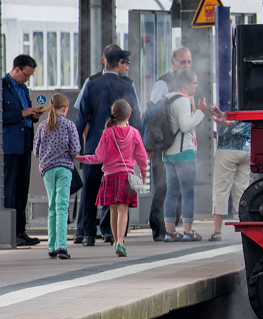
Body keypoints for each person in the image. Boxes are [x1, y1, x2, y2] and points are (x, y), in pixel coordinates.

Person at [75, 46, 141, 246]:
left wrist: (76, 145)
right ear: (119, 63)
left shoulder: (91, 83)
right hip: (121, 149)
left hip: (95, 145)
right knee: (117, 191)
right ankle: (112, 233)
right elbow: (136, 118)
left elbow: (82, 117)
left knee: (90, 189)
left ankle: (88, 234)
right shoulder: (128, 86)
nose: (127, 69)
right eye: (125, 64)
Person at [77, 100, 147, 257]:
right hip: (126, 176)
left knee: (113, 211)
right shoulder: (134, 133)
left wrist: (81, 158)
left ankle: (116, 242)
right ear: (129, 115)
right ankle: (121, 242)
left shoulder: (107, 133)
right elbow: (141, 155)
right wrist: (143, 172)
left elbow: (98, 157)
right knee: (123, 210)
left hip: (109, 176)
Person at [147, 47, 192, 242]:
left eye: (189, 62)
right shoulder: (163, 84)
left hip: (182, 145)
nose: (186, 66)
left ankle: (172, 226)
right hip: (164, 145)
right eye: (183, 62)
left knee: (179, 187)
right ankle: (158, 228)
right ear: (173, 63)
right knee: (163, 187)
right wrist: (151, 144)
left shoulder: (188, 83)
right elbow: (152, 115)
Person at [162, 69, 206, 242]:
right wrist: (201, 111)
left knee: (171, 192)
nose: (196, 85)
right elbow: (186, 126)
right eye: (194, 82)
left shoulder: (168, 98)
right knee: (188, 192)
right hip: (184, 153)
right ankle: (188, 230)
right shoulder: (182, 101)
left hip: (168, 153)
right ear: (186, 84)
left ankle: (170, 231)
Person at [33, 93, 80, 259]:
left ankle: (52, 246)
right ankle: (62, 246)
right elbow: (75, 150)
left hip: (47, 170)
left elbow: (36, 151)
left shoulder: (42, 126)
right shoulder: (69, 125)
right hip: (64, 170)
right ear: (65, 108)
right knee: (61, 208)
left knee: (52, 207)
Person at [3, 54, 42, 246]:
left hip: (25, 140)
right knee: (9, 188)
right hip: (10, 144)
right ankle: (9, 232)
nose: (27, 79)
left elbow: (26, 112)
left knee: (22, 188)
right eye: (26, 75)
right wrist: (22, 113)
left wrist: (33, 114)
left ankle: (20, 230)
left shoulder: (24, 89)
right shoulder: (4, 87)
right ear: (16, 69)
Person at [209, 107, 250, 242]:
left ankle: (217, 231)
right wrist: (223, 115)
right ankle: (245, 229)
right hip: (247, 148)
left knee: (221, 189)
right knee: (242, 190)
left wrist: (222, 120)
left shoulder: (241, 97)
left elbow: (233, 122)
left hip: (228, 149)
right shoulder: (256, 100)